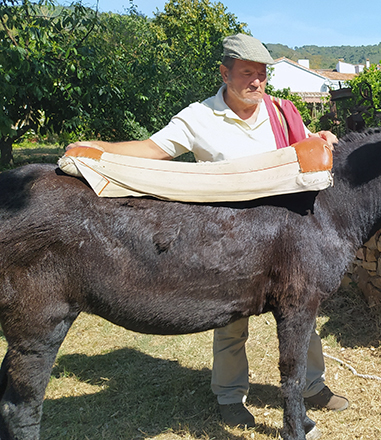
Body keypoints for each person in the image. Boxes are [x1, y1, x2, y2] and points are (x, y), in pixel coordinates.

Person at [66, 33, 348, 429]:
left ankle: (312, 386)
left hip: (286, 241)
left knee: (304, 315)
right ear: (225, 72)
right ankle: (231, 395)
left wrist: (322, 141)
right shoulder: (199, 117)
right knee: (231, 322)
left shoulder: (283, 113)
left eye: (262, 75)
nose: (257, 83)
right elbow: (151, 150)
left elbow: (304, 153)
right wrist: (98, 149)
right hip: (229, 244)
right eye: (247, 73)